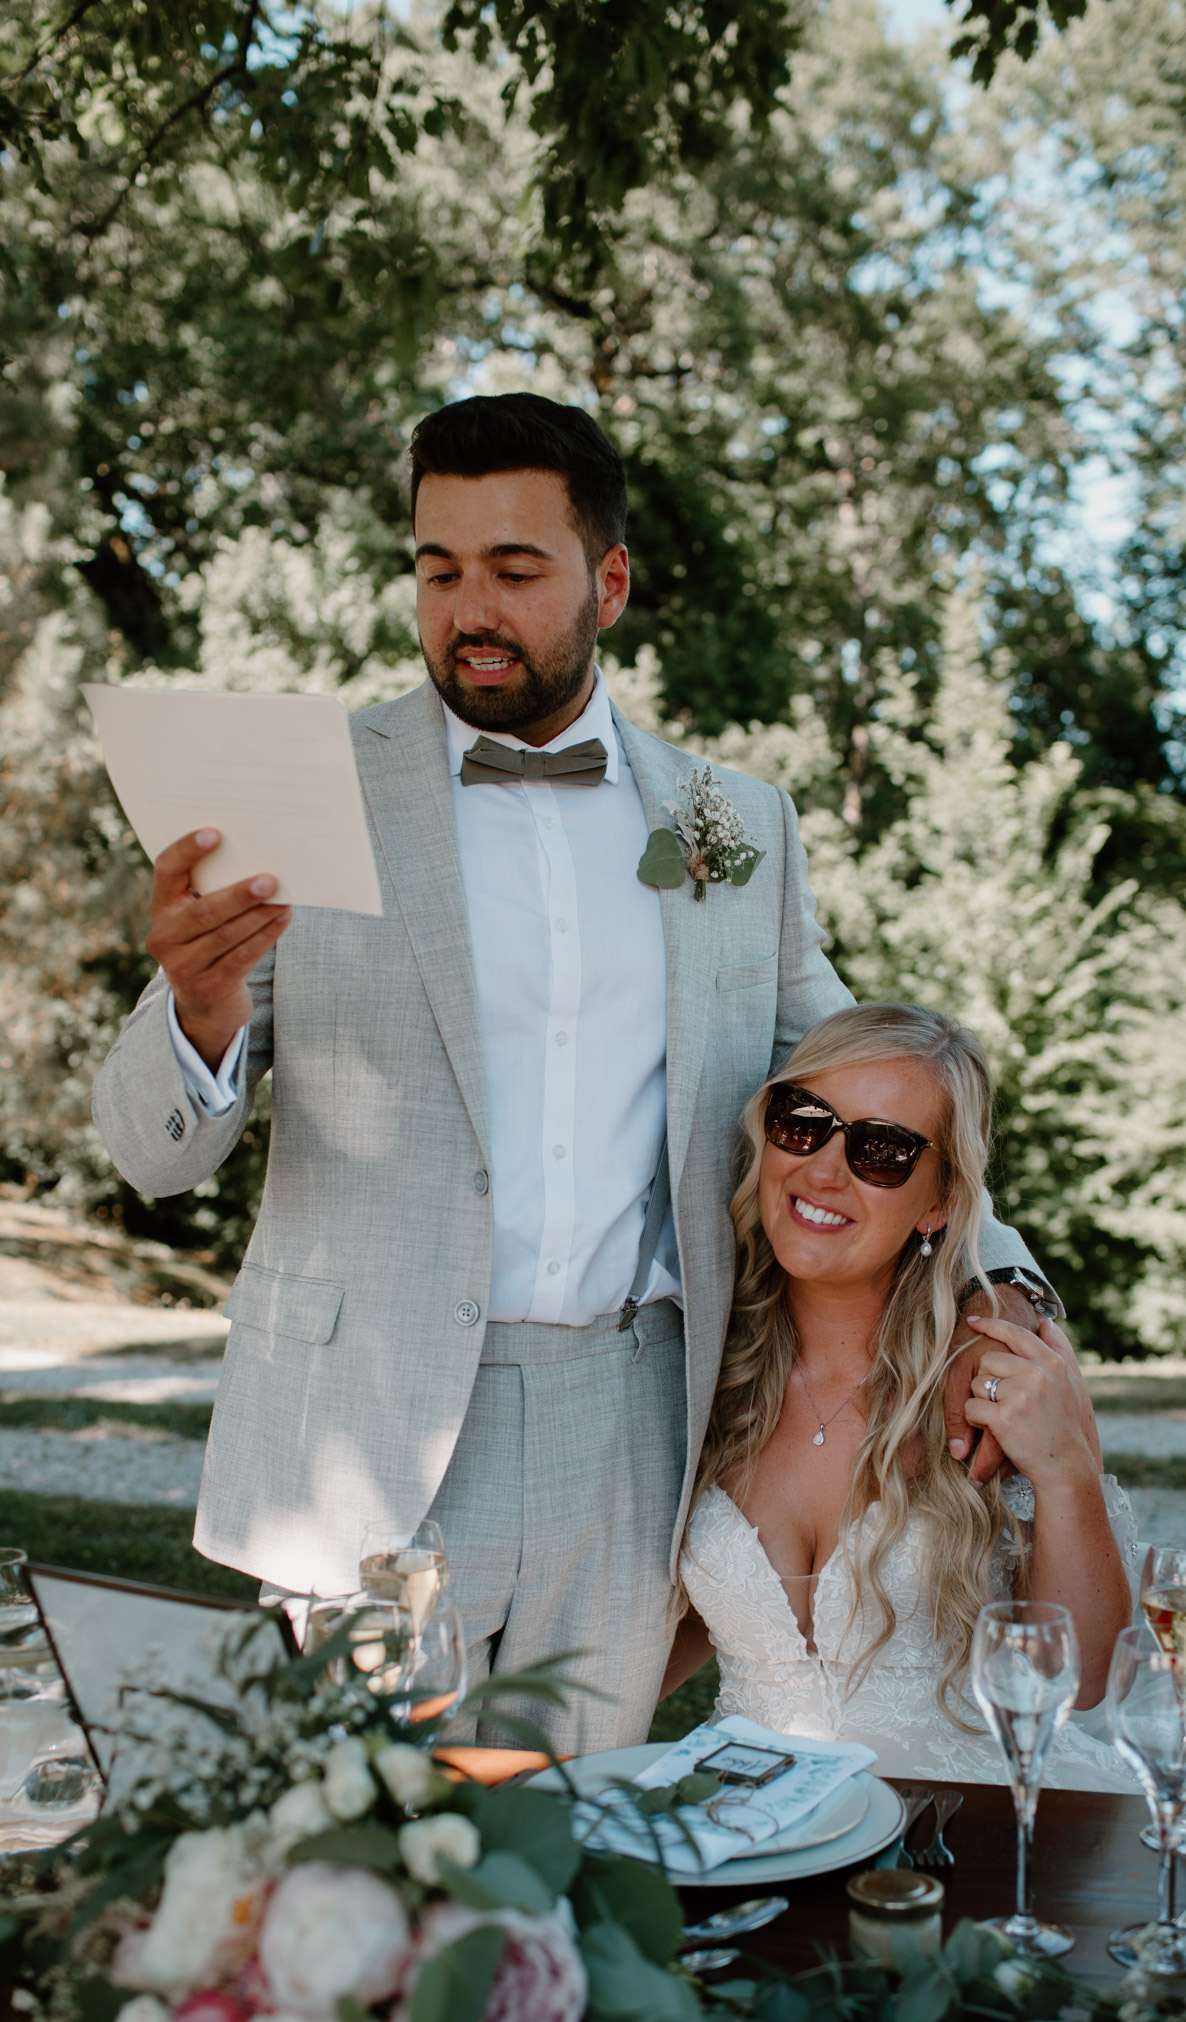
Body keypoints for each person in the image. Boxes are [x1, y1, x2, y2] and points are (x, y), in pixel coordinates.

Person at [94, 393, 1062, 1751]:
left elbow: (869, 1079)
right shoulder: (307, 793)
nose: (469, 611)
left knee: (575, 1838)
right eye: (438, 570)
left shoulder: (732, 824)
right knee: (359, 1845)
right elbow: (149, 1151)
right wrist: (200, 1012)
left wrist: (1000, 1277)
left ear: (608, 583)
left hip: (629, 1427)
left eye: (513, 569)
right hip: (362, 1428)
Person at [667, 1002, 1137, 1789]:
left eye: (881, 1151)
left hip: (964, 1827)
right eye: (803, 1122)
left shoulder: (997, 1376)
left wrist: (1064, 1470)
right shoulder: (702, 1371)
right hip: (748, 1827)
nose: (824, 1171)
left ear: (940, 1201)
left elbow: (1084, 1678)